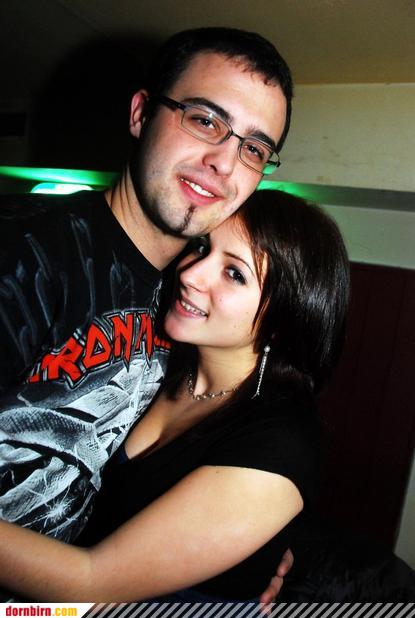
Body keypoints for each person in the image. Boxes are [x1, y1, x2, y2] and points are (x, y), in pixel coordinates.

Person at [0, 27, 293, 599]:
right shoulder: (22, 253)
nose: (224, 162)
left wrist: (241, 547)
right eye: (205, 119)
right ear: (140, 114)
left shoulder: (195, 300)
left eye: (254, 148)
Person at [0, 189, 350, 602]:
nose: (190, 274)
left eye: (234, 273)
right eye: (202, 247)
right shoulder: (161, 361)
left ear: (284, 318)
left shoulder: (285, 440)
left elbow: (89, 585)